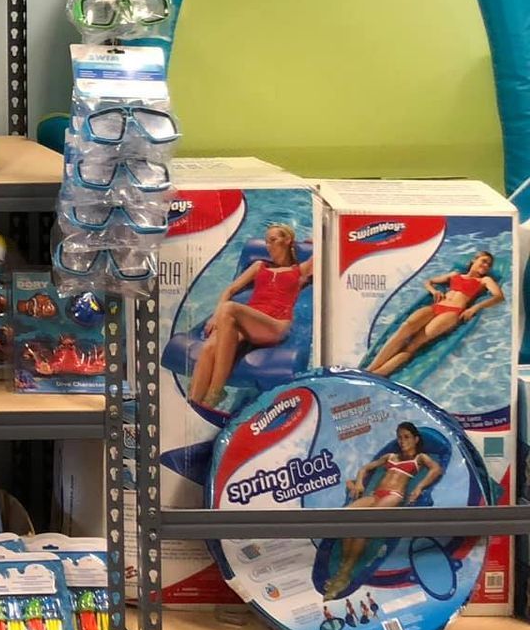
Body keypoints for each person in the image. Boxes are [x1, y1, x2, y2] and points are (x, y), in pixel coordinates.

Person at [188, 223, 310, 407]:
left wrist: (314, 240)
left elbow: (327, 254)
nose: (269, 246)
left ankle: (214, 393)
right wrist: (216, 316)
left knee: (229, 309)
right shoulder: (259, 266)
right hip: (249, 322)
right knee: (208, 348)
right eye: (266, 242)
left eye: (273, 240)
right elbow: (230, 290)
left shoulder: (299, 271)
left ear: (288, 240)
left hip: (275, 324)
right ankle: (193, 404)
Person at [327, 421, 442, 597]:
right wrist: (358, 483)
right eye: (399, 437)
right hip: (376, 494)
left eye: (406, 437)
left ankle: (345, 572)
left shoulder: (420, 458)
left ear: (416, 439)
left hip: (394, 495)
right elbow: (365, 468)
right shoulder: (390, 457)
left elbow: (436, 469)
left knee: (364, 525)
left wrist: (419, 488)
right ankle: (344, 564)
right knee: (346, 516)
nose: (402, 441)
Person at [368, 251, 504, 378]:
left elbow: (498, 297)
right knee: (404, 328)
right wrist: (434, 291)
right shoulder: (454, 275)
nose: (486, 266)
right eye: (484, 261)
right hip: (436, 307)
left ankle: (378, 374)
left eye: (489, 265)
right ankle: (370, 369)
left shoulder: (484, 280)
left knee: (414, 344)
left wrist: (475, 307)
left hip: (453, 312)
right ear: (474, 260)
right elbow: (428, 281)